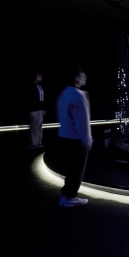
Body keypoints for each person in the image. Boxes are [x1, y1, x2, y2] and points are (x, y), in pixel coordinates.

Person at [56, 67, 91, 207]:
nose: (85, 78)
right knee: (77, 170)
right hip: (76, 140)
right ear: (76, 78)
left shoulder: (64, 93)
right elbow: (82, 122)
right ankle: (71, 197)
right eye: (83, 76)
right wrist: (87, 140)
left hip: (63, 136)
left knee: (70, 169)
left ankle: (65, 195)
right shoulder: (79, 96)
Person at [28, 72, 45, 149]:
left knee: (39, 126)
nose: (41, 77)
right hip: (34, 109)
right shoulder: (31, 86)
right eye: (39, 76)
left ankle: (39, 142)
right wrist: (31, 109)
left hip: (40, 109)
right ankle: (34, 142)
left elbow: (42, 98)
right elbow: (30, 99)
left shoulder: (40, 86)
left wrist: (43, 108)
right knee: (34, 127)